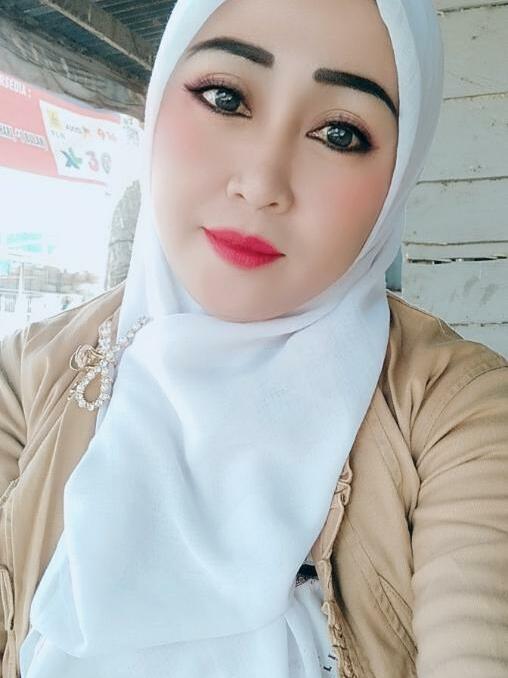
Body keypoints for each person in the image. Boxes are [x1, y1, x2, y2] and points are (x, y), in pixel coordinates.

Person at [0, 0, 506, 676]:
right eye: (225, 97)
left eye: (339, 133)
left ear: (398, 175)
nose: (263, 183)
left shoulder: (458, 413)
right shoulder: (25, 380)